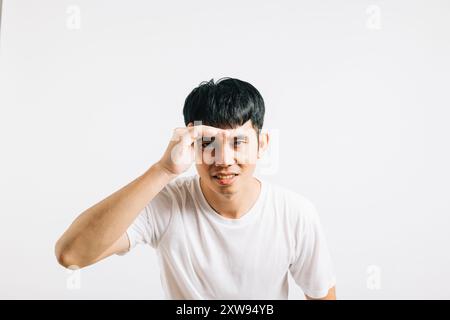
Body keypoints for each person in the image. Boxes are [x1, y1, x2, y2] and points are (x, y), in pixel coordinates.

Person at [55, 77, 336, 299]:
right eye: (208, 143)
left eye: (238, 142)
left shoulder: (295, 213)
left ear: (261, 145)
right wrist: (163, 170)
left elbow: (322, 296)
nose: (224, 160)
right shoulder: (166, 204)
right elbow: (72, 256)